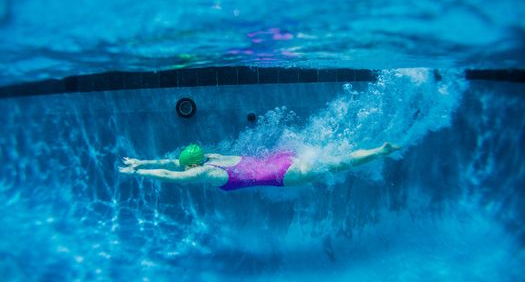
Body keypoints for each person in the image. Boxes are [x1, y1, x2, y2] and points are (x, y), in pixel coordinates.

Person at [119, 143, 400, 191]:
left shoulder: (204, 171)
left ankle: (379, 152)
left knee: (340, 165)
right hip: (282, 159)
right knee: (333, 157)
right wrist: (142, 160)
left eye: (188, 168)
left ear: (192, 166)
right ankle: (376, 149)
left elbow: (171, 175)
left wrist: (138, 171)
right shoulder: (212, 156)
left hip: (285, 175)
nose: (187, 171)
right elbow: (171, 163)